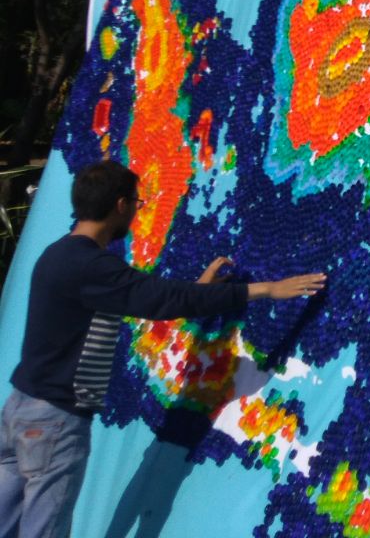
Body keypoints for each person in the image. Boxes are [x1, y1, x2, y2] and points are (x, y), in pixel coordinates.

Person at [0, 160, 327, 538]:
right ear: (121, 205)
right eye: (138, 203)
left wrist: (197, 291)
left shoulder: (58, 255)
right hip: (53, 420)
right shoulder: (91, 266)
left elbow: (148, 300)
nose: (138, 212)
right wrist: (266, 289)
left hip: (20, 411)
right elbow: (160, 299)